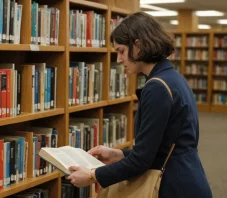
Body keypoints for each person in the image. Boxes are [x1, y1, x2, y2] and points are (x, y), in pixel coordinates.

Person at [67, 11, 213, 197]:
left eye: (121, 51)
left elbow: (142, 160)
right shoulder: (173, 77)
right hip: (187, 176)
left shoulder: (157, 88)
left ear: (138, 46)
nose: (119, 60)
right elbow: (159, 146)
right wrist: (117, 155)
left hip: (173, 185)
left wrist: (91, 175)